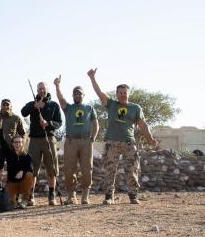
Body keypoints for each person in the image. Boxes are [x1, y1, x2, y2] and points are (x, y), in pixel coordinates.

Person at [87, 68, 158, 205]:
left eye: (125, 93)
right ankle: (109, 196)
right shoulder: (112, 104)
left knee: (132, 169)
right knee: (110, 170)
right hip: (112, 143)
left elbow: (142, 125)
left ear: (128, 94)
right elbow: (99, 93)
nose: (122, 95)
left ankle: (133, 195)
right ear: (116, 94)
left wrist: (150, 138)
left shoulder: (135, 108)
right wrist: (92, 78)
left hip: (129, 143)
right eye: (120, 93)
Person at [54, 75, 99, 205]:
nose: (77, 96)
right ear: (73, 96)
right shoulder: (68, 108)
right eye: (75, 94)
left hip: (86, 141)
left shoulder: (89, 108)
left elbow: (95, 124)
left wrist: (93, 137)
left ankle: (85, 195)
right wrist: (57, 86)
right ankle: (71, 195)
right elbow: (61, 99)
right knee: (69, 169)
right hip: (70, 142)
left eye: (79, 94)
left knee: (87, 169)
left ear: (83, 95)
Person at [21, 82, 63, 206]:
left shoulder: (54, 105)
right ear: (37, 90)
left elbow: (59, 122)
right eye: (39, 89)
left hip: (49, 139)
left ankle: (51, 196)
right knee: (33, 168)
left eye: (43, 89)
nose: (42, 91)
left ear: (47, 90)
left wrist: (48, 123)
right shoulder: (32, 103)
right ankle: (30, 196)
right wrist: (35, 105)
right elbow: (23, 112)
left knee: (51, 168)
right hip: (34, 140)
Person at [0, 121, 34, 209]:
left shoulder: (27, 156)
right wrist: (0, 130)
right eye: (15, 142)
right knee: (10, 205)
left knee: (29, 174)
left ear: (22, 143)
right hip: (12, 183)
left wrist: (22, 172)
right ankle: (14, 201)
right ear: (12, 144)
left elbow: (30, 169)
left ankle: (24, 200)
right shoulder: (9, 154)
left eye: (19, 142)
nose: (17, 144)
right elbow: (3, 142)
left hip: (23, 183)